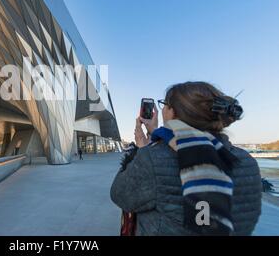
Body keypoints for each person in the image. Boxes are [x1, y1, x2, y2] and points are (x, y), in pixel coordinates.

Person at [110, 82, 262, 236]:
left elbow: (120, 195)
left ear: (173, 112)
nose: (162, 110)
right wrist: (154, 135)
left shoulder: (154, 158)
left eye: (164, 105)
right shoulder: (247, 161)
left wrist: (143, 148)